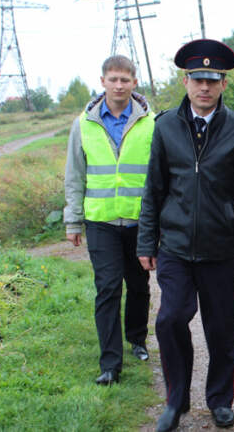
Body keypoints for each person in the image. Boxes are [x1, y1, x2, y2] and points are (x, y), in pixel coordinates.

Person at [136, 39, 234, 431]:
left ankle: (219, 400)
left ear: (223, 84)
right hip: (176, 246)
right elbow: (153, 190)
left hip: (220, 247)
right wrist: (147, 242)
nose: (204, 88)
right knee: (170, 319)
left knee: (222, 327)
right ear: (186, 81)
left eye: (212, 80)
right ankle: (176, 401)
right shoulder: (165, 127)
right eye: (197, 79)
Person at [63, 55, 154, 385]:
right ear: (102, 82)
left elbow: (159, 176)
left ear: (134, 83)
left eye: (125, 80)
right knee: (108, 288)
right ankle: (110, 364)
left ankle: (137, 339)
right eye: (113, 79)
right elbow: (75, 175)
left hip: (139, 220)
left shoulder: (150, 123)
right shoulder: (83, 124)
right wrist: (73, 221)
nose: (119, 85)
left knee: (139, 285)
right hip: (100, 221)